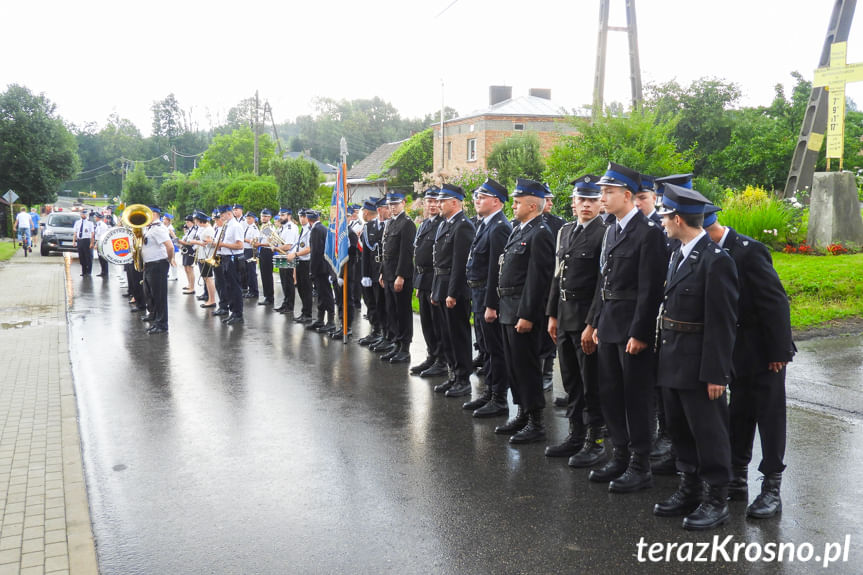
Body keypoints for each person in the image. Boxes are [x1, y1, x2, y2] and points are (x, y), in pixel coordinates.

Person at [652, 183, 739, 531]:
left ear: (677, 218)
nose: (660, 222)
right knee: (680, 430)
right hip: (672, 357)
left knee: (708, 432)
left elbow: (723, 322)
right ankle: (688, 488)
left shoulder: (716, 261)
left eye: (663, 216)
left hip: (700, 364)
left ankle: (716, 498)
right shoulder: (678, 252)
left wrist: (717, 374)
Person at [703, 204, 796, 519]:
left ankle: (772, 488)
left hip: (763, 351)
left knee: (769, 418)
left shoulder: (748, 251)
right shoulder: (708, 252)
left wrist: (779, 352)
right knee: (739, 413)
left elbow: (775, 302)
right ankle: (737, 478)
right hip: (734, 351)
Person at [589, 162, 666, 493]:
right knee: (611, 393)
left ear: (628, 196)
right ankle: (619, 454)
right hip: (608, 322)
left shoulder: (648, 233)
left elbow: (650, 291)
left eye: (608, 192)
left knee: (636, 397)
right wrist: (593, 322)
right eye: (602, 192)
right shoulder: (611, 230)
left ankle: (639, 464)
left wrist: (640, 333)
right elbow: (602, 281)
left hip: (631, 327)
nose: (602, 197)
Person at [545, 175, 608, 464]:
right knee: (571, 381)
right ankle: (575, 435)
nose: (586, 205)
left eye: (592, 200)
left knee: (590, 382)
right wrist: (551, 314)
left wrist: (591, 324)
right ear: (573, 203)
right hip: (565, 315)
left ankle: (595, 440)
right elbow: (557, 277)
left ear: (600, 203)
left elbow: (601, 283)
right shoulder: (565, 231)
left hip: (585, 320)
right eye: (581, 199)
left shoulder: (605, 232)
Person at [493, 178, 555, 444]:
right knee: (514, 367)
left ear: (532, 205)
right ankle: (522, 412)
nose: (514, 207)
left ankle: (536, 422)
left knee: (527, 368)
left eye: (517, 203)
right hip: (508, 308)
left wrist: (528, 315)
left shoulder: (540, 232)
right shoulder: (520, 229)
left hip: (522, 311)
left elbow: (538, 278)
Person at [465, 178, 512, 417]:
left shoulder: (500, 227)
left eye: (482, 197)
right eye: (477, 197)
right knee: (485, 347)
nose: (477, 201)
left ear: (496, 202)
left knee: (495, 349)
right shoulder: (485, 224)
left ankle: (499, 398)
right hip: (478, 291)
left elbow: (497, 269)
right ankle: (489, 392)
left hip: (487, 294)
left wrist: (492, 304)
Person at [430, 184, 476, 395]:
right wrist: (435, 289)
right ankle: (452, 374)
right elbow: (437, 261)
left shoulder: (463, 225)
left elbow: (459, 263)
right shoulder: (444, 224)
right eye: (438, 200)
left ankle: (463, 379)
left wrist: (452, 293)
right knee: (446, 334)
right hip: (441, 284)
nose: (438, 204)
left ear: (455, 202)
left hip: (454, 289)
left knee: (458, 335)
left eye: (442, 201)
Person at [410, 188, 446, 375]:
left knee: (437, 322)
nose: (432, 205)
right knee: (426, 323)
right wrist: (417, 283)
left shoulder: (442, 224)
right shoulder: (424, 225)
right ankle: (431, 355)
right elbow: (418, 254)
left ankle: (441, 360)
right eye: (428, 201)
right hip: (423, 279)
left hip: (434, 278)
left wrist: (435, 286)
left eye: (435, 201)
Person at [378, 192, 416, 363]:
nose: (392, 207)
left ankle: (404, 347)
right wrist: (381, 272)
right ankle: (396, 343)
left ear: (403, 203)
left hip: (399, 276)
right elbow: (386, 251)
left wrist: (400, 275)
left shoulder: (407, 224)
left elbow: (406, 253)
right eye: (390, 204)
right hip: (388, 273)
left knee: (402, 312)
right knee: (391, 310)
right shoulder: (391, 222)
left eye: (395, 204)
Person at [140, 210, 175, 335]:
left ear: (154, 214)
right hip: (150, 264)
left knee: (159, 296)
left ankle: (162, 324)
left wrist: (169, 260)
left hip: (158, 264)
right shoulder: (149, 228)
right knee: (150, 294)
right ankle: (155, 318)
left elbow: (170, 246)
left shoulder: (158, 228)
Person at [358, 200, 387, 346]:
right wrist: (365, 274)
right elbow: (366, 255)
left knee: (381, 303)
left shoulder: (388, 225)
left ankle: (383, 331)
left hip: (382, 271)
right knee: (370, 302)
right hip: (371, 271)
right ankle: (375, 329)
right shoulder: (368, 227)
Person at [215, 205, 245, 325]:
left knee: (235, 288)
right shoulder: (227, 225)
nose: (221, 217)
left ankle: (238, 314)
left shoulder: (236, 226)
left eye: (222, 215)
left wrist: (222, 244)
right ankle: (233, 312)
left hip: (234, 259)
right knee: (229, 287)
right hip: (226, 258)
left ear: (229, 213)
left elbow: (239, 245)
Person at [306, 210, 336, 332]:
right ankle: (320, 319)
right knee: (321, 295)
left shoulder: (316, 230)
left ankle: (330, 321)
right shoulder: (322, 228)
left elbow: (316, 252)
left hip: (320, 268)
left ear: (308, 219)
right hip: (323, 267)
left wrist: (311, 270)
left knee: (326, 295)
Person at [288, 210, 314, 323]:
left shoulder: (309, 229)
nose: (302, 218)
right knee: (301, 288)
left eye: (304, 216)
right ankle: (304, 311)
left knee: (306, 289)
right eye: (300, 216)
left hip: (306, 262)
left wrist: (296, 254)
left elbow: (309, 248)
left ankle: (307, 314)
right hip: (300, 261)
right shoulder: (303, 229)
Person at [274, 208, 299, 314]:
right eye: (280, 215)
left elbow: (288, 246)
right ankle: (285, 303)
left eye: (283, 215)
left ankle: (290, 306)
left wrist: (275, 248)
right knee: (284, 282)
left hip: (288, 256)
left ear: (289, 216)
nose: (281, 217)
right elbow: (278, 242)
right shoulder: (282, 227)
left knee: (288, 282)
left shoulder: (290, 227)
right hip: (282, 255)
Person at [191, 212, 217, 309]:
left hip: (207, 256)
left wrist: (194, 241)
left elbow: (206, 243)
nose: (196, 223)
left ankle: (212, 300)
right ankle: (210, 299)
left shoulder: (209, 230)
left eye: (196, 221)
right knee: (206, 278)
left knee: (208, 278)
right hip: (203, 256)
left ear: (199, 220)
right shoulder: (205, 229)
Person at [254, 208, 276, 306]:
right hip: (263, 251)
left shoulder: (267, 228)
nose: (264, 218)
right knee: (264, 275)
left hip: (267, 252)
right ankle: (267, 295)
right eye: (262, 216)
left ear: (270, 217)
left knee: (267, 275)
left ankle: (269, 297)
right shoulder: (263, 226)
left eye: (266, 216)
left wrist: (259, 244)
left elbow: (272, 243)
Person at [178, 215, 198, 294]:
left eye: (188, 222)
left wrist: (181, 242)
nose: (187, 224)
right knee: (186, 268)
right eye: (186, 222)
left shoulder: (194, 230)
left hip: (190, 249)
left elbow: (190, 241)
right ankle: (189, 284)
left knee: (190, 268)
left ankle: (192, 288)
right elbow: (185, 239)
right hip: (186, 249)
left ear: (192, 222)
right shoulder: (189, 230)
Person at [72, 210, 95, 276]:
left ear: (87, 215)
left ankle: (89, 272)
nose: (83, 215)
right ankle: (83, 271)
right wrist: (74, 241)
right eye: (82, 214)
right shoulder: (77, 222)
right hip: (80, 240)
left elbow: (92, 233)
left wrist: (91, 243)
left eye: (85, 214)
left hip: (87, 240)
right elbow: (75, 232)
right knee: (81, 256)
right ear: (80, 215)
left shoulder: (90, 223)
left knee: (88, 256)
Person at [242, 212, 260, 300]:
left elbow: (254, 242)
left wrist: (244, 239)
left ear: (253, 219)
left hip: (251, 251)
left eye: (249, 218)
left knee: (251, 272)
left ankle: (254, 291)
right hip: (246, 250)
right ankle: (250, 290)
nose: (247, 220)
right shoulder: (248, 227)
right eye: (247, 218)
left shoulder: (254, 228)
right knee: (247, 272)